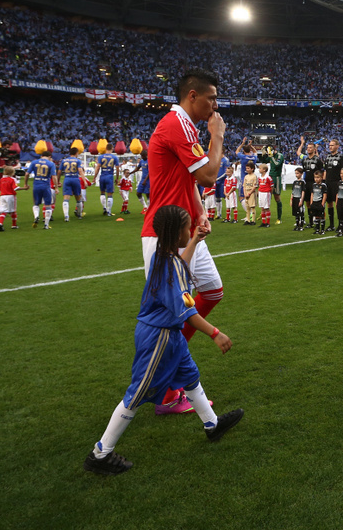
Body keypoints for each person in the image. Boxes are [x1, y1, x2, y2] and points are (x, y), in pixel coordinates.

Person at [83, 205, 243, 476]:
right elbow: (188, 311)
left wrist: (195, 241)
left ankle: (212, 425)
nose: (190, 230)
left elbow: (181, 265)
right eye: (187, 228)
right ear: (176, 233)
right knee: (138, 393)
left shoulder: (164, 256)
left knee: (189, 376)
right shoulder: (169, 267)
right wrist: (216, 333)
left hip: (171, 335)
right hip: (158, 337)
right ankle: (100, 453)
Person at [141, 69, 227, 416]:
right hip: (166, 235)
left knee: (212, 291)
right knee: (171, 315)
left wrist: (200, 211)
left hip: (186, 230)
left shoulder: (185, 126)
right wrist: (217, 136)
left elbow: (189, 180)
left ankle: (173, 373)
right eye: (211, 98)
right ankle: (165, 392)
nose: (215, 106)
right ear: (193, 96)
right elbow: (207, 175)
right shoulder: (177, 124)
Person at [24, 151, 56, 230]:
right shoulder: (51, 164)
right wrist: (56, 187)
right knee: (48, 205)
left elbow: (27, 174)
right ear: (49, 156)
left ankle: (36, 216)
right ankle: (46, 224)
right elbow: (54, 176)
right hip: (46, 186)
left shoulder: (34, 162)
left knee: (36, 204)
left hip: (36, 185)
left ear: (41, 156)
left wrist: (25, 184)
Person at [323, 139, 343, 232]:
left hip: (337, 183)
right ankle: (331, 224)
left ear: (337, 146)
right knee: (329, 203)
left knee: (338, 204)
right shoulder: (327, 157)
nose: (330, 147)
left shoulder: (340, 157)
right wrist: (324, 181)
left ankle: (341, 224)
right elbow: (325, 170)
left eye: (332, 145)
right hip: (328, 183)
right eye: (329, 145)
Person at [0, 165, 26, 231]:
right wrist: (24, 188)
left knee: (3, 211)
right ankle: (14, 225)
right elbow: (15, 188)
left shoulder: (1, 179)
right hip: (10, 196)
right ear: (12, 172)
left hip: (2, 196)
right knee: (13, 210)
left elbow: (0, 188)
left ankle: (0, 223)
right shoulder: (13, 179)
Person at [59, 147, 85, 221]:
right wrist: (84, 181)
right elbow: (80, 171)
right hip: (75, 179)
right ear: (76, 153)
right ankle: (79, 215)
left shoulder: (64, 160)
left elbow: (59, 171)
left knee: (66, 198)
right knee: (78, 198)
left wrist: (58, 181)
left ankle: (66, 216)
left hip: (67, 179)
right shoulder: (78, 161)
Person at [94, 146, 120, 217]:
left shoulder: (101, 157)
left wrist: (94, 177)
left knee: (102, 193)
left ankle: (104, 208)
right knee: (110, 194)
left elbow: (98, 167)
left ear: (105, 149)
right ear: (112, 149)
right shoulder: (114, 157)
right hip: (109, 176)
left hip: (102, 176)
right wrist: (117, 178)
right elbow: (117, 168)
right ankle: (109, 211)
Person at [265, 145, 284, 224]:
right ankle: (263, 214)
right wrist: (264, 155)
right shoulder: (270, 156)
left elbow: (277, 164)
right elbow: (264, 161)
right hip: (270, 176)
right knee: (266, 196)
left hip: (276, 177)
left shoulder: (280, 155)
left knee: (277, 197)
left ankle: (279, 218)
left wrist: (271, 156)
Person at [257, 163, 273, 227]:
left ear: (264, 170)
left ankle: (268, 223)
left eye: (260, 168)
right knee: (262, 208)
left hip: (266, 193)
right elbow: (259, 185)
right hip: (261, 193)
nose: (259, 170)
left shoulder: (268, 177)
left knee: (266, 208)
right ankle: (263, 222)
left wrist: (270, 193)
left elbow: (271, 186)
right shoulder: (259, 177)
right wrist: (258, 192)